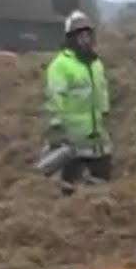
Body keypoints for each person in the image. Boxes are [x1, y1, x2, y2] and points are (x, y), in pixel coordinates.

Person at [43, 11, 113, 196]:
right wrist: (57, 125)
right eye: (81, 36)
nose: (85, 40)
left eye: (88, 35)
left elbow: (102, 91)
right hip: (72, 139)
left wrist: (105, 113)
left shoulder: (96, 63)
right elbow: (55, 97)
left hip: (98, 137)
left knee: (103, 183)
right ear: (71, 38)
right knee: (70, 187)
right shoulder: (61, 65)